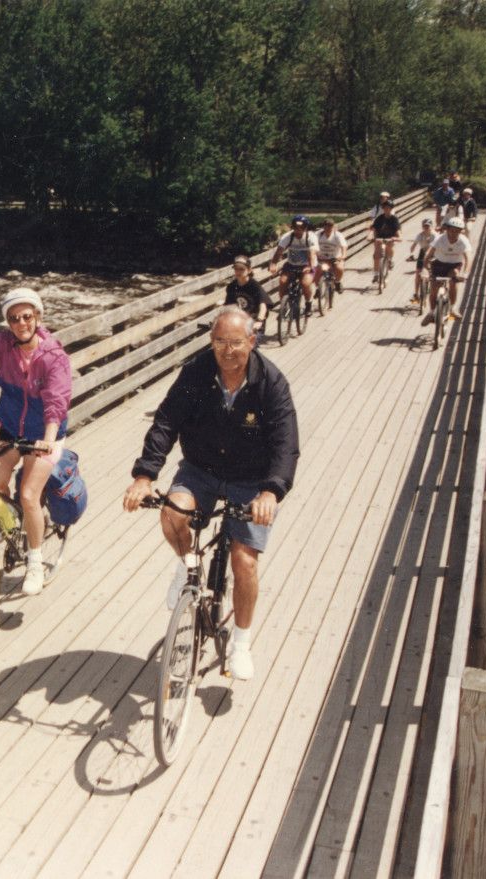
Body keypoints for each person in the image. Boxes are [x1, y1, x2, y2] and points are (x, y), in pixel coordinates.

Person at [121, 306, 299, 681]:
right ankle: (186, 564)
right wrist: (144, 475)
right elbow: (166, 421)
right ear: (211, 341)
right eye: (220, 342)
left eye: (236, 342)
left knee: (244, 561)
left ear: (252, 341)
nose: (228, 350)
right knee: (171, 514)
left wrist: (271, 491)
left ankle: (240, 643)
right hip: (201, 468)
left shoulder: (271, 382)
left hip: (251, 479)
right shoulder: (197, 372)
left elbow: (285, 444)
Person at [0, 288, 73, 595]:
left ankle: (34, 563)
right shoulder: (3, 344)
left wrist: (48, 440)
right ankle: (12, 533)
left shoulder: (54, 357)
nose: (21, 323)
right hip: (10, 426)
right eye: (14, 318)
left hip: (43, 433)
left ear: (37, 317)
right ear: (8, 322)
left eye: (26, 316)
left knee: (29, 495)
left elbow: (56, 404)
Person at [421, 216, 472, 325]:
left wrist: (465, 273)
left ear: (460, 232)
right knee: (434, 287)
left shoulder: (463, 240)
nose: (453, 234)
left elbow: (468, 258)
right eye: (451, 230)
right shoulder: (440, 238)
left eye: (456, 232)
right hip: (439, 264)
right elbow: (428, 254)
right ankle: (431, 312)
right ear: (447, 229)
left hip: (454, 265)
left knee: (454, 279)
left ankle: (453, 308)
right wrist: (425, 269)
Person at [268, 215, 318, 316]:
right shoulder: (288, 237)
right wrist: (273, 264)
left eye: (301, 228)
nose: (298, 231)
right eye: (295, 228)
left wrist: (310, 266)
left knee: (305, 283)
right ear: (292, 228)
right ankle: (284, 306)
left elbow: (312, 253)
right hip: (292, 264)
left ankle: (308, 304)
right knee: (283, 281)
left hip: (307, 264)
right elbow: (279, 252)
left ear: (306, 228)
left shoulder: (311, 237)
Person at [224, 256, 270, 345]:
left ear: (249, 270)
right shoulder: (232, 287)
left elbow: (263, 305)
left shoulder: (255, 286)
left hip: (254, 322)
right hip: (240, 323)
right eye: (236, 269)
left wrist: (259, 320)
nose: (238, 272)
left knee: (248, 348)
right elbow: (227, 306)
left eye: (241, 269)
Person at [368, 199, 402, 282]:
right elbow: (373, 229)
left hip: (390, 237)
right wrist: (369, 236)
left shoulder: (394, 219)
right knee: (377, 254)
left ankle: (390, 260)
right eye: (385, 208)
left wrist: (399, 237)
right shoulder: (379, 218)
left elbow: (398, 230)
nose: (387, 210)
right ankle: (376, 274)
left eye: (389, 208)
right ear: (383, 209)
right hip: (379, 237)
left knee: (390, 246)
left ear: (391, 209)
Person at [407, 217, 436, 306]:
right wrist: (411, 254)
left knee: (434, 273)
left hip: (433, 253)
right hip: (423, 252)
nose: (427, 228)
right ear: (422, 227)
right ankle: (416, 293)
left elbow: (435, 247)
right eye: (425, 226)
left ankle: (432, 290)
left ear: (432, 226)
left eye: (428, 226)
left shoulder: (435, 235)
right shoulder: (420, 235)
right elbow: (413, 246)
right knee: (418, 273)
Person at [315, 217, 347, 295]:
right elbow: (312, 244)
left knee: (339, 268)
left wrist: (343, 255)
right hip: (321, 257)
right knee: (317, 271)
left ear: (333, 227)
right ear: (323, 227)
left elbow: (343, 246)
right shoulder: (318, 234)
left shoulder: (338, 235)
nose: (328, 228)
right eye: (326, 226)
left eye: (330, 226)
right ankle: (317, 289)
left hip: (335, 257)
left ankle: (337, 282)